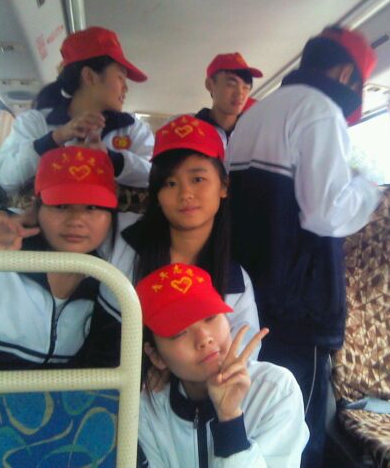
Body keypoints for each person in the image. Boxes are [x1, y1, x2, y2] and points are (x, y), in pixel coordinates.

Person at [226, 26, 382, 467]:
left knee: (256, 418)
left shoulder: (255, 114)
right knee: (299, 432)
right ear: (346, 74)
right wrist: (368, 188)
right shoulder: (320, 111)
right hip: (299, 308)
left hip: (249, 299)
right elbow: (325, 213)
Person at [87, 115, 260, 367]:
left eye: (197, 179)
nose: (185, 193)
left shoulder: (235, 283)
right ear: (157, 194)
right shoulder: (120, 236)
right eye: (170, 183)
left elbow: (242, 360)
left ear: (224, 186)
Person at [136, 263, 308, 468]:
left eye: (210, 317)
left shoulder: (275, 391)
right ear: (156, 356)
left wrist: (229, 419)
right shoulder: (146, 410)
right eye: (178, 332)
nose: (204, 338)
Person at [0, 147, 118, 370]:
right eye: (61, 206)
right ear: (36, 208)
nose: (76, 221)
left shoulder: (108, 281)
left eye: (92, 207)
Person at [0, 26, 154, 193]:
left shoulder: (132, 128)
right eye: (120, 78)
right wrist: (55, 138)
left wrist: (110, 158)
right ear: (89, 76)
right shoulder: (35, 122)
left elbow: (156, 176)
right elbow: (4, 177)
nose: (126, 88)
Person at [194, 52, 263, 146]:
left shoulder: (256, 132)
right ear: (210, 84)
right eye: (231, 84)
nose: (240, 93)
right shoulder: (190, 129)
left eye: (246, 87)